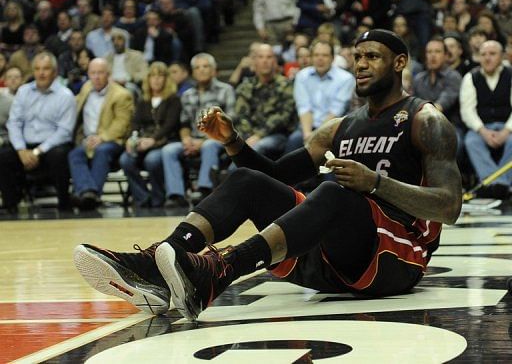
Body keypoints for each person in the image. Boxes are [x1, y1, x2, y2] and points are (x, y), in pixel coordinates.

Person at [73, 29, 462, 318]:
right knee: (248, 180)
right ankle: (157, 266)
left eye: (372, 57)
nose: (361, 64)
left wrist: (375, 183)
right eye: (357, 56)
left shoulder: (424, 120)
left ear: (398, 63)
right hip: (331, 259)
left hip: (395, 259)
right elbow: (276, 175)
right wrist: (234, 143)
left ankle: (221, 271)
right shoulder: (340, 126)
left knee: (335, 192)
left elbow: (449, 207)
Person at [1, 52, 76, 212]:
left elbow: (64, 131)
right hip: (25, 146)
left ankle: (64, 204)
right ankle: (10, 207)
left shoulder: (65, 95)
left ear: (55, 72)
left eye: (46, 69)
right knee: (4, 155)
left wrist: (37, 152)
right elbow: (14, 123)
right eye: (37, 69)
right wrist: (21, 150)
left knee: (59, 155)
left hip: (51, 146)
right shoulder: (23, 92)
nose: (41, 73)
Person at [161, 53, 235, 207]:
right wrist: (186, 139)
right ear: (193, 72)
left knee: (209, 146)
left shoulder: (225, 90)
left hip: (219, 139)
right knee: (168, 150)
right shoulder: (187, 95)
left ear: (214, 70)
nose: (201, 70)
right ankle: (176, 195)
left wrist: (203, 141)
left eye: (205, 66)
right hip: (193, 139)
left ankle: (204, 189)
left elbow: (229, 122)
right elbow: (184, 123)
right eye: (197, 67)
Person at [68, 58, 134, 210]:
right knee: (74, 154)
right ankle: (88, 192)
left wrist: (102, 138)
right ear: (88, 74)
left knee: (101, 151)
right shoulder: (86, 88)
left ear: (108, 75)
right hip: (86, 140)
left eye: (100, 73)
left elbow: (121, 124)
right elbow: (75, 103)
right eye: (93, 73)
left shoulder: (121, 94)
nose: (96, 77)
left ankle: (91, 195)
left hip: (112, 141)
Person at [119, 62, 181, 208]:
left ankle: (158, 197)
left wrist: (153, 139)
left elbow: (170, 125)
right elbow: (135, 123)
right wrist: (132, 139)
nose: (156, 79)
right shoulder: (143, 100)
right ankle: (142, 198)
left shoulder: (173, 99)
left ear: (166, 79)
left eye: (160, 75)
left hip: (165, 142)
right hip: (143, 141)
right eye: (153, 75)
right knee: (125, 160)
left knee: (152, 161)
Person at [460, 40, 512, 199]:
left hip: (507, 126)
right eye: (483, 54)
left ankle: (497, 184)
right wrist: (482, 131)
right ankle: (500, 185)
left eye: (492, 54)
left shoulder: (510, 74)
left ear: (502, 56)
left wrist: (506, 131)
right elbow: (467, 110)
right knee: (471, 141)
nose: (487, 58)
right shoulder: (471, 77)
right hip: (482, 128)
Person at [286, 40, 356, 153]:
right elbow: (304, 107)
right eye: (316, 55)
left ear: (333, 58)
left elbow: (336, 111)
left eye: (325, 55)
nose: (320, 59)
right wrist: (308, 134)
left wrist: (315, 137)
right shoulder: (302, 76)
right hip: (306, 128)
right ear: (311, 57)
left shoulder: (346, 78)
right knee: (294, 141)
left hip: (334, 129)